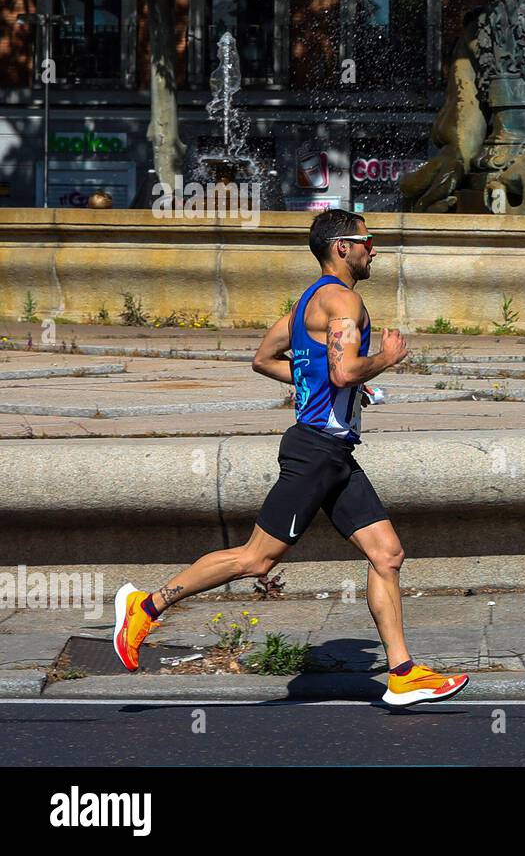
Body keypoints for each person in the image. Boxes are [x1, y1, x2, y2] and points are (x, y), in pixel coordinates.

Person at [111, 209, 468, 706]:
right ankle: (145, 606)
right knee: (256, 560)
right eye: (368, 241)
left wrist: (321, 381)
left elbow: (265, 359)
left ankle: (403, 674)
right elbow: (344, 373)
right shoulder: (345, 299)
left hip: (334, 451)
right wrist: (384, 359)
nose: (374, 250)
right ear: (341, 247)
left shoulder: (304, 306)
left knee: (387, 554)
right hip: (316, 451)